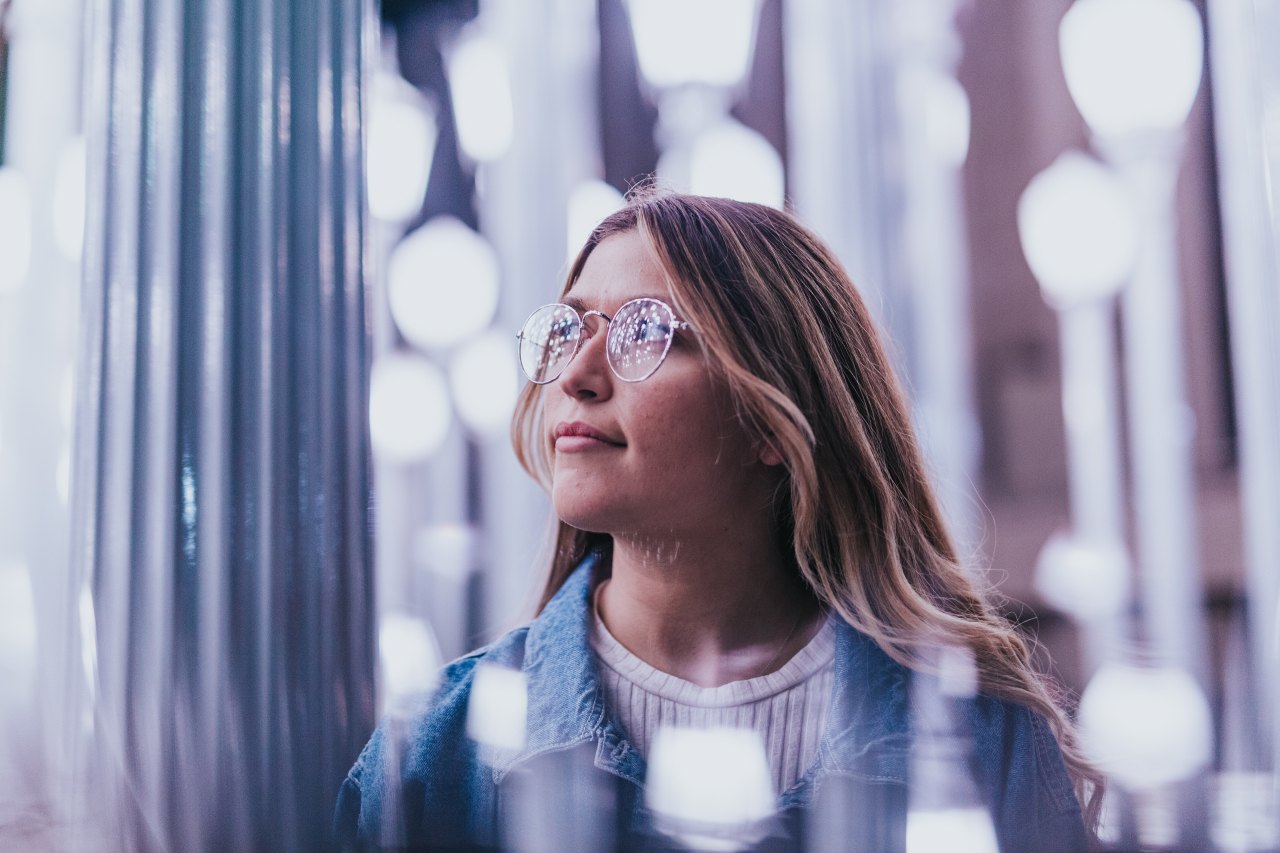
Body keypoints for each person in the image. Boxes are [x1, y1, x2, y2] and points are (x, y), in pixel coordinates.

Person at [334, 190, 1100, 850]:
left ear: (773, 419)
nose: (575, 376)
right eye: (567, 330)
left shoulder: (981, 741)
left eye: (644, 333)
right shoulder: (434, 757)